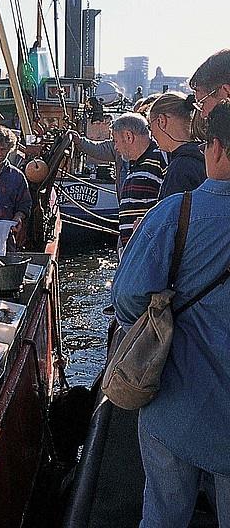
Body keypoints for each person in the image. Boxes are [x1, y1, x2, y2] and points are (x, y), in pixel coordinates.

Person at [111, 100, 230, 527]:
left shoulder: (176, 213)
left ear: (212, 147)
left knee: (164, 513)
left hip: (177, 398)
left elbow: (126, 298)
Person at [111, 112, 167, 257]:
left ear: (128, 136)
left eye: (116, 141)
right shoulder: (141, 163)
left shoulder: (158, 159)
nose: (116, 148)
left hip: (146, 255)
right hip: (138, 253)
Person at [147, 92, 206, 199]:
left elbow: (171, 214)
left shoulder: (180, 168)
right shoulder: (208, 157)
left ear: (162, 121)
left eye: (150, 126)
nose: (152, 135)